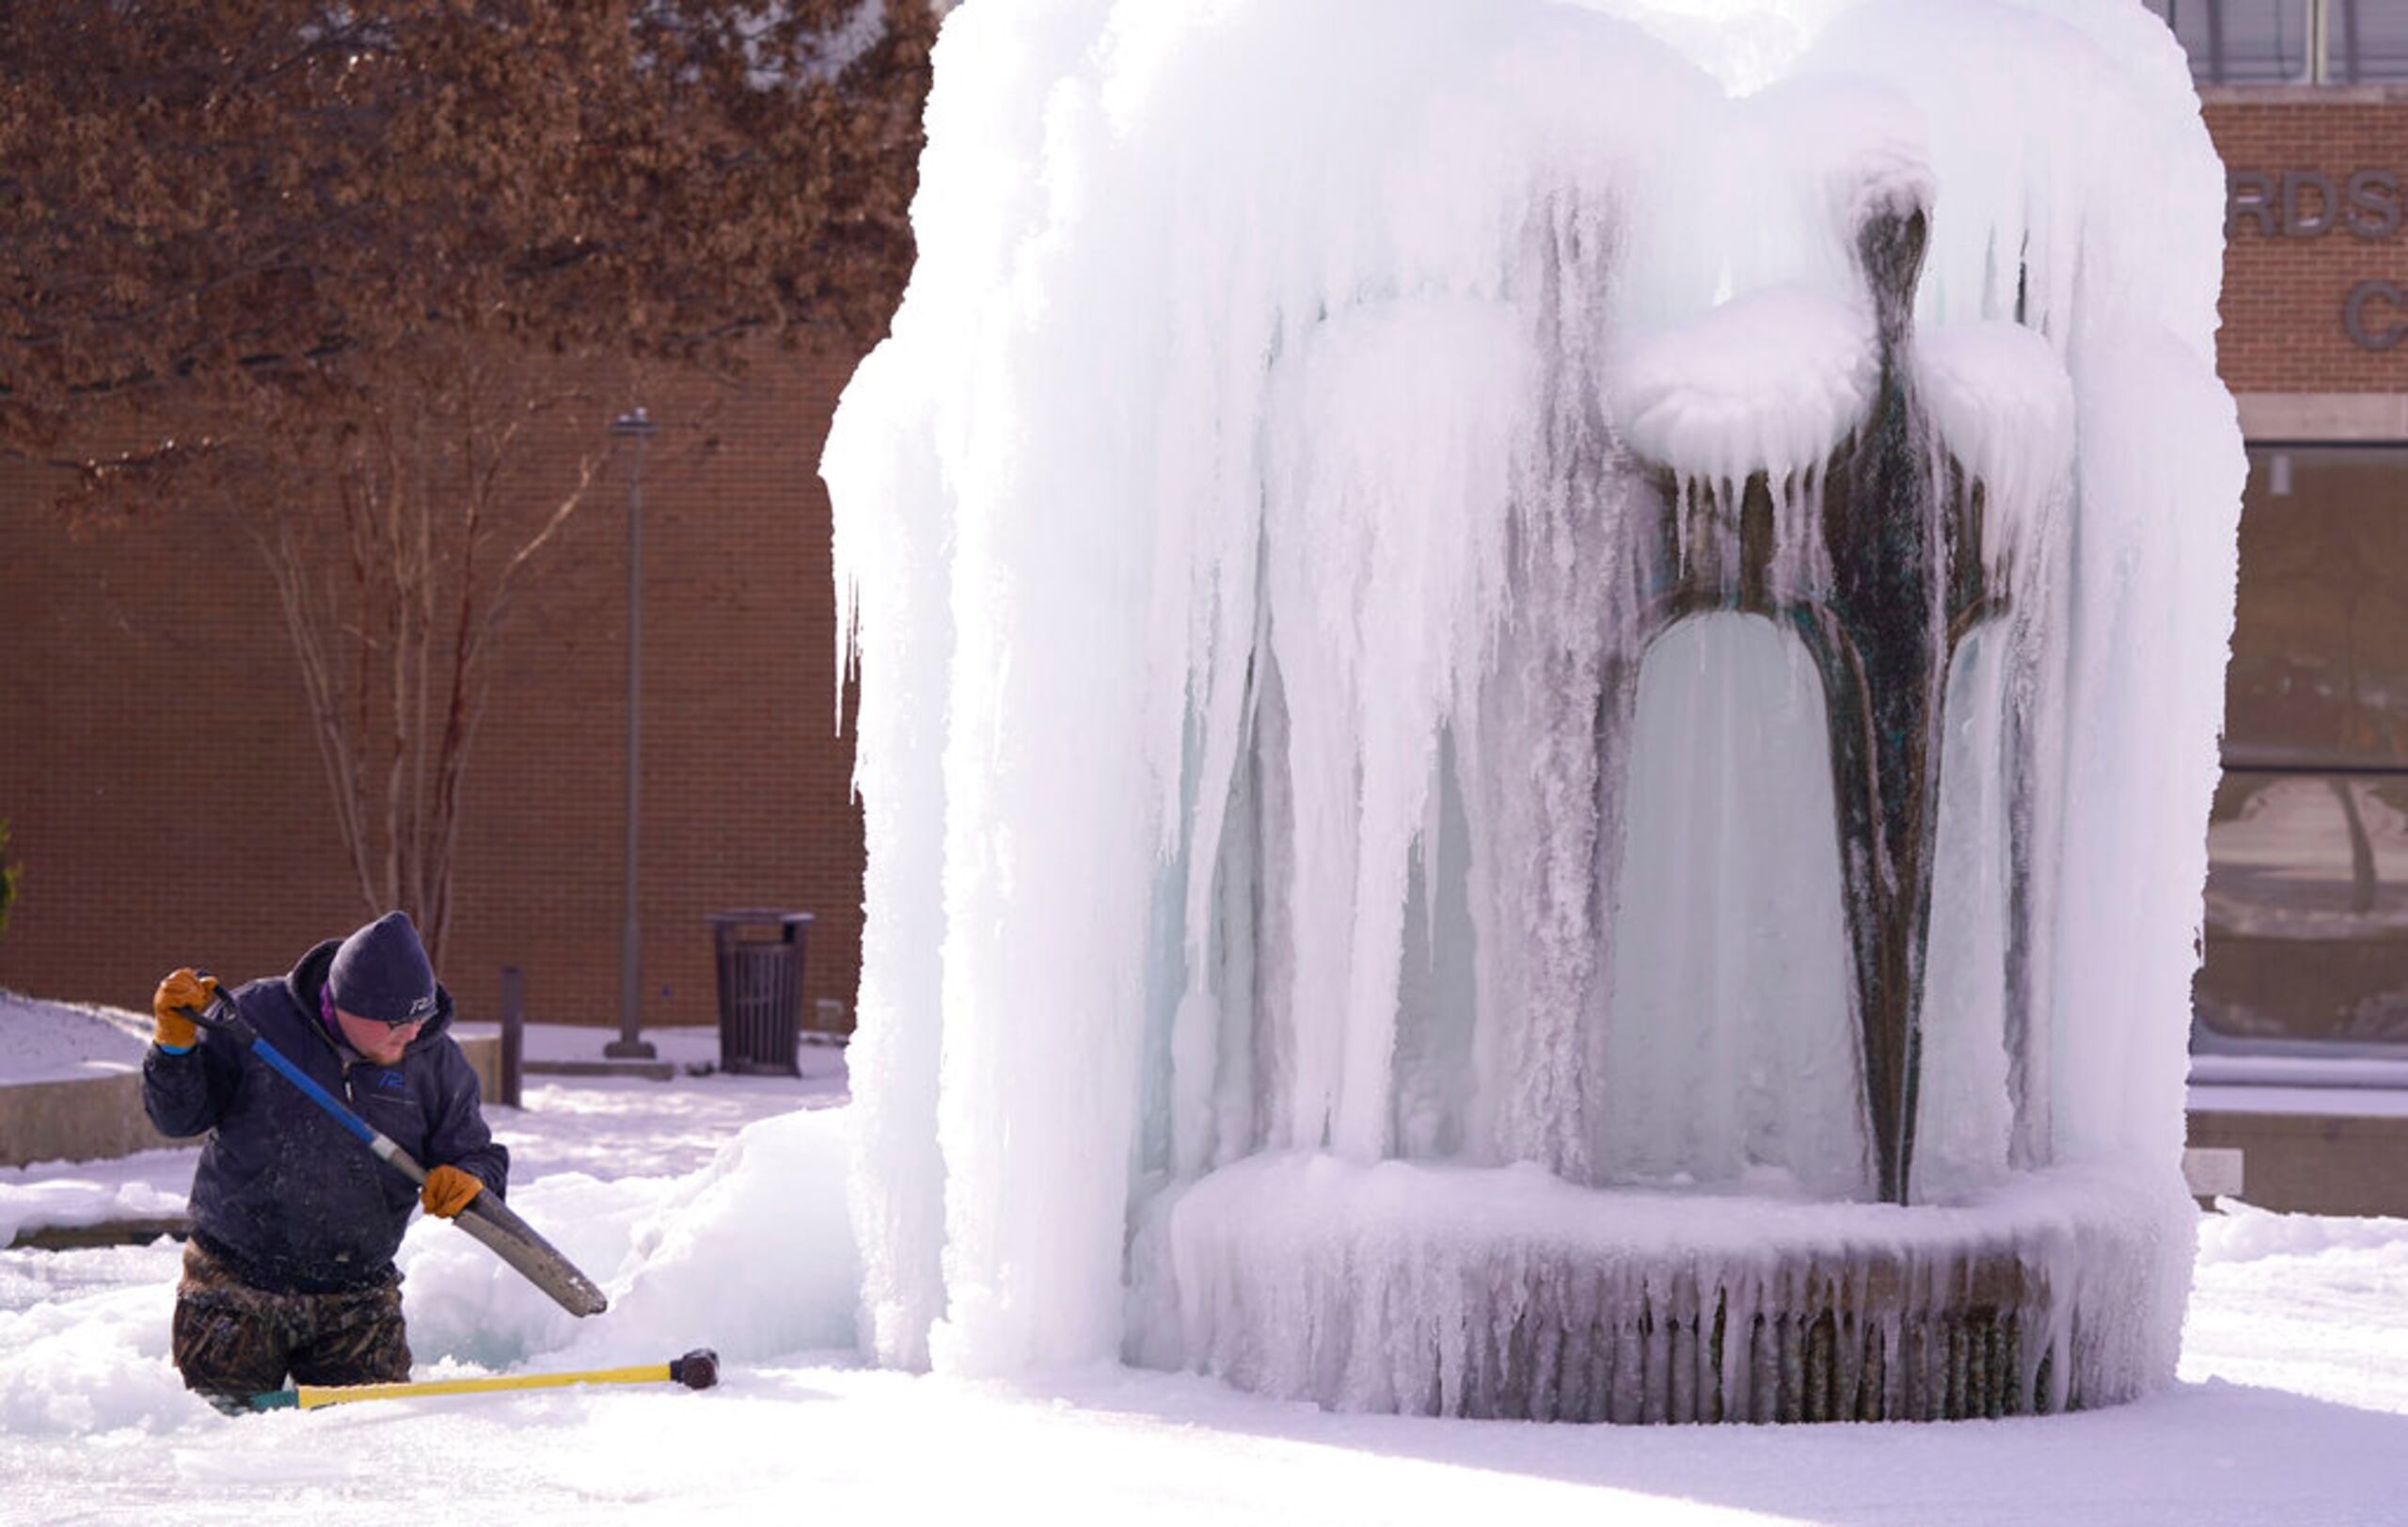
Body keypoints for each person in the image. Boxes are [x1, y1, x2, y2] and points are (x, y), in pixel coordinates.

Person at [143, 910, 508, 1408]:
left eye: (420, 1020)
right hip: (233, 1279)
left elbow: (476, 1151)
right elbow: (178, 1117)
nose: (410, 1035)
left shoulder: (437, 1062)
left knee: (372, 1439)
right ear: (343, 1004)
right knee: (218, 1447)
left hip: (357, 1295)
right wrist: (174, 1051)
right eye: (396, 1023)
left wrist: (469, 1178)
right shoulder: (255, 1019)